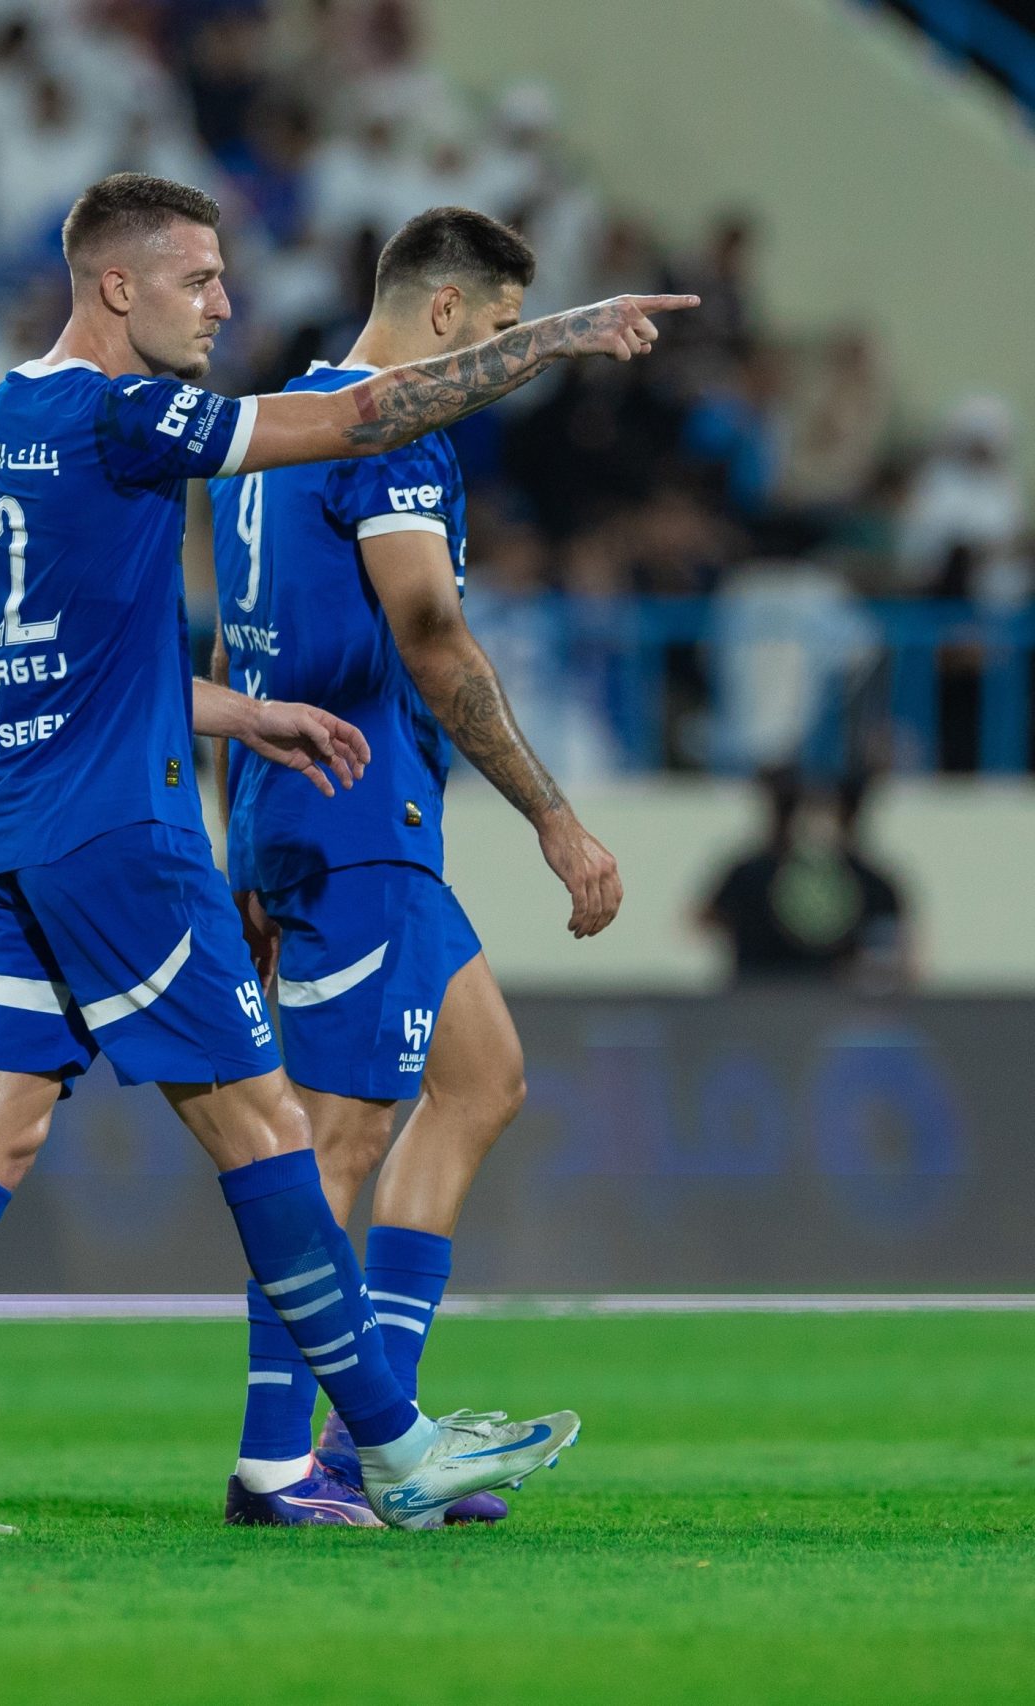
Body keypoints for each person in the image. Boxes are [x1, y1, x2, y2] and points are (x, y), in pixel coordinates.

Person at [0, 173, 691, 1536]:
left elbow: (71, 651)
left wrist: (246, 707)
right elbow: (356, 414)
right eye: (198, 280)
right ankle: (370, 1450)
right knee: (279, 1135)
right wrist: (555, 338)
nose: (225, 305)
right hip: (123, 839)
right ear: (117, 286)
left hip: (6, 828)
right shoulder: (130, 413)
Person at [203, 207, 624, 1527]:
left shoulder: (279, 426)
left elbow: (251, 639)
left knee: (481, 1078)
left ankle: (364, 1433)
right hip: (359, 814)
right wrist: (555, 815)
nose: (495, 361)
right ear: (446, 312)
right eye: (498, 330)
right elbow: (431, 632)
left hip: (304, 810)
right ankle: (283, 1460)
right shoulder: (394, 436)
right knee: (335, 1141)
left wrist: (248, 843)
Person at [701, 766, 907, 987]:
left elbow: (702, 919)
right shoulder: (873, 880)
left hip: (769, 997)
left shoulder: (749, 871)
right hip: (812, 1001)